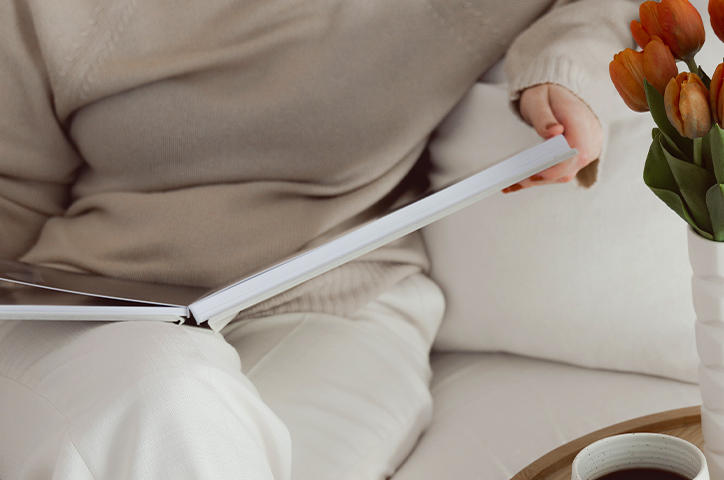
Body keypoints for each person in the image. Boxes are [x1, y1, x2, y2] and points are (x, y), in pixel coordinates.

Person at [0, 0, 642, 479]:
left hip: (333, 301)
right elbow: (14, 190)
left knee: (183, 419)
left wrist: (567, 76)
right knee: (160, 388)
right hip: (89, 309)